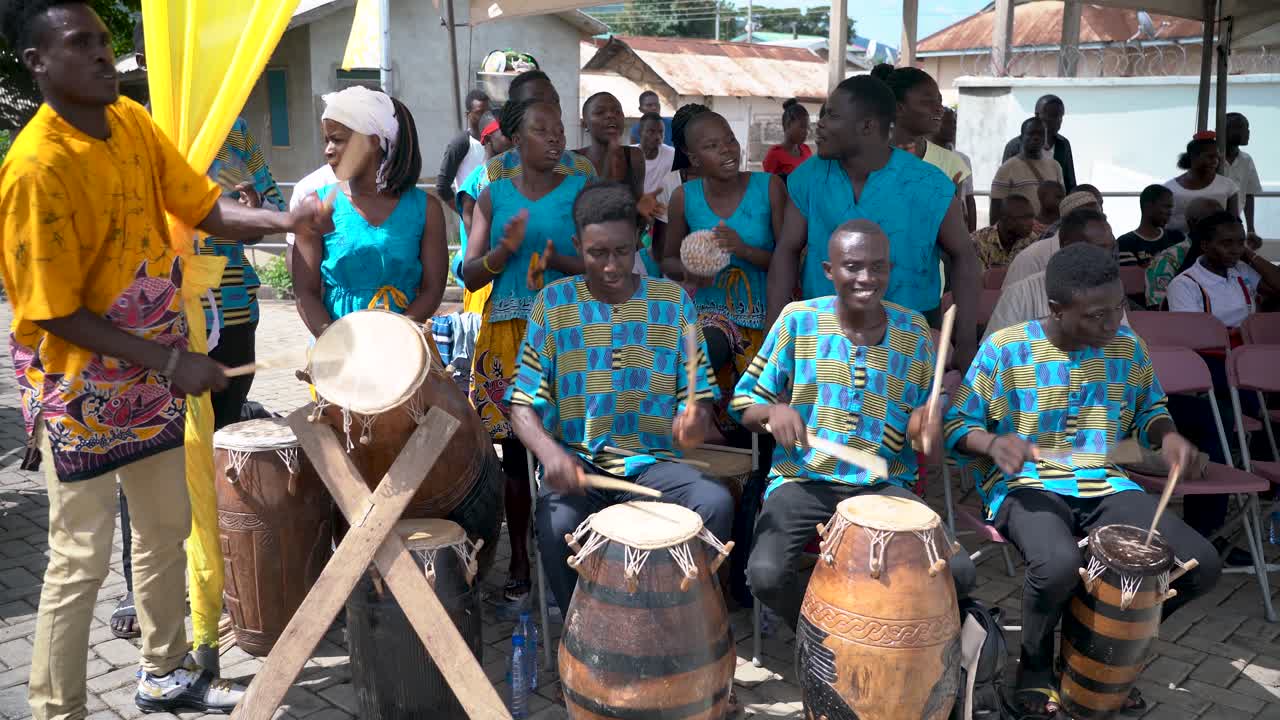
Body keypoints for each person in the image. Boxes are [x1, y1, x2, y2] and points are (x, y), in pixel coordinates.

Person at [0, 2, 330, 715]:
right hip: (79, 391)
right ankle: (57, 708)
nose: (100, 54)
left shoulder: (133, 125)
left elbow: (205, 206)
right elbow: (51, 309)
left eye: (104, 41)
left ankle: (164, 671)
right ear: (37, 63)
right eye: (80, 43)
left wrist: (287, 220)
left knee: (163, 530)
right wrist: (169, 360)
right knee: (79, 560)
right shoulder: (35, 169)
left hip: (150, 380)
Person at [945, 241, 1221, 717]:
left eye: (1118, 308)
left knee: (1199, 565)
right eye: (1096, 315)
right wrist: (991, 444)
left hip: (1105, 482)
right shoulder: (1007, 348)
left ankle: (1093, 649)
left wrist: (1167, 435)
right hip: (1026, 484)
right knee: (1055, 566)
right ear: (1056, 308)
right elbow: (956, 425)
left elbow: (1150, 410)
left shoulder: (1127, 346)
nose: (1112, 322)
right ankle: (1033, 668)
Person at [110, 26, 289, 642]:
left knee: (222, 444)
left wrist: (252, 200)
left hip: (234, 309)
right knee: (155, 451)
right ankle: (145, 591)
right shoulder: (152, 136)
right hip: (162, 312)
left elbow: (264, 204)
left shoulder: (240, 140)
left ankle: (217, 576)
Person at [736, 220, 975, 628]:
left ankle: (890, 635)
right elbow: (743, 403)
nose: (867, 278)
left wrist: (926, 425)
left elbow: (926, 430)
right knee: (765, 575)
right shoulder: (798, 320)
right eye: (853, 267)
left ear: (889, 270)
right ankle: (825, 635)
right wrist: (772, 412)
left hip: (883, 484)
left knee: (960, 574)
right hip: (803, 480)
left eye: (878, 267)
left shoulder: (913, 329)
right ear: (829, 271)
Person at [511, 181, 731, 616]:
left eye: (622, 252)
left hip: (651, 466)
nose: (611, 266)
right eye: (597, 254)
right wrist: (550, 454)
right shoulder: (553, 304)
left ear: (639, 243)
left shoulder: (673, 304)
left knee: (715, 503)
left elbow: (697, 392)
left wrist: (694, 415)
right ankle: (583, 635)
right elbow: (522, 407)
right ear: (578, 245)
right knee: (556, 527)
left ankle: (678, 621)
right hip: (580, 465)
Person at [464, 98, 588, 608]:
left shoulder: (582, 190)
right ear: (515, 141)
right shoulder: (492, 195)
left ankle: (573, 561)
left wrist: (556, 260)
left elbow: (605, 262)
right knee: (515, 458)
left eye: (559, 129)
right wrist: (503, 253)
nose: (556, 138)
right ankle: (518, 559)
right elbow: (469, 273)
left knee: (571, 449)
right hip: (509, 333)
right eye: (541, 131)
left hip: (570, 334)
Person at [767, 74, 980, 372]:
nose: (821, 124)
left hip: (909, 338)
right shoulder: (809, 177)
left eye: (832, 115)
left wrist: (967, 340)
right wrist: (774, 335)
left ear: (867, 126)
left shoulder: (930, 186)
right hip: (825, 334)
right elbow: (787, 251)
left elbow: (964, 258)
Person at [660, 108, 784, 439]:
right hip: (711, 316)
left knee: (756, 433)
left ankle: (756, 481)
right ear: (693, 157)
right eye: (712, 146)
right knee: (707, 347)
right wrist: (693, 269)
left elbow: (786, 261)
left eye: (729, 139)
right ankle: (690, 420)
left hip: (763, 321)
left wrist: (743, 250)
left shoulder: (769, 187)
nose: (727, 149)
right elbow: (667, 261)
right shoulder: (684, 198)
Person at [293, 87, 448, 334]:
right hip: (336, 347)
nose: (328, 150)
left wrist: (396, 333)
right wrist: (335, 342)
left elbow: (433, 289)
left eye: (338, 139)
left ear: (373, 142)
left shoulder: (425, 209)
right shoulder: (317, 207)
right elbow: (305, 291)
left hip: (401, 346)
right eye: (327, 140)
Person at [985, 208, 1119, 336]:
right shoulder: (1021, 294)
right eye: (1099, 249)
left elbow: (1124, 349)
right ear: (1067, 247)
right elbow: (994, 355)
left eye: (1110, 248)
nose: (1108, 257)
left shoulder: (1110, 293)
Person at [873, 64, 972, 210]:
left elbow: (954, 226)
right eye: (928, 102)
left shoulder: (951, 163)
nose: (939, 108)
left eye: (939, 101)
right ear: (898, 108)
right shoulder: (867, 158)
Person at [1167, 210, 1280, 333]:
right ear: (1205, 246)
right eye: (1227, 243)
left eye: (1241, 242)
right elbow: (1192, 334)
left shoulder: (1240, 269)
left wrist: (1249, 254)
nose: (1236, 250)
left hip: (1250, 345)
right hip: (1213, 349)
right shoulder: (1184, 284)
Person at [485, 70, 595, 183]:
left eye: (555, 101)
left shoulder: (581, 169)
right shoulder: (496, 171)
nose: (549, 108)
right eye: (537, 101)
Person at [1001, 188, 1102, 290]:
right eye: (1088, 220)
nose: (1096, 225)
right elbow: (1012, 302)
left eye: (1099, 218)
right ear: (1068, 223)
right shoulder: (1030, 258)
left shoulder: (1099, 249)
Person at [452, 111, 509, 287]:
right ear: (487, 138)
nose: (512, 136)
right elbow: (475, 242)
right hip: (484, 277)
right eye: (504, 132)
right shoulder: (474, 183)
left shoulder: (510, 178)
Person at [1146, 197, 1223, 309]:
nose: (1221, 227)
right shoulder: (1168, 259)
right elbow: (1158, 309)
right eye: (1213, 222)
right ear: (1192, 223)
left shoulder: (1231, 257)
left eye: (1224, 221)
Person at [990, 117, 1064, 225]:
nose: (1036, 138)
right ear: (1021, 137)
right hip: (1020, 234)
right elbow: (996, 209)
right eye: (1031, 134)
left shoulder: (1055, 166)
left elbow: (1061, 200)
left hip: (1049, 232)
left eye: (1041, 134)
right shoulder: (1007, 168)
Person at [575, 91, 645, 201]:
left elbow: (639, 204)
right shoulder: (571, 160)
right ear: (585, 124)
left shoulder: (634, 156)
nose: (610, 115)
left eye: (617, 111)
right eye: (600, 112)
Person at [1164, 133, 1239, 234]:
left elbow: (1234, 223)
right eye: (1210, 157)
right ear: (1193, 157)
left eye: (1217, 157)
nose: (1215, 161)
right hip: (1175, 244)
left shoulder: (1228, 186)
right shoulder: (1170, 188)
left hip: (1216, 246)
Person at [1002, 93, 1076, 191]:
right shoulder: (1015, 145)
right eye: (1052, 116)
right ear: (1037, 115)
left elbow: (1070, 183)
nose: (1057, 121)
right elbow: (1004, 183)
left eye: (1060, 116)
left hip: (1054, 205)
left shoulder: (1063, 144)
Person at [435, 89, 490, 206]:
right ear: (468, 115)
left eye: (488, 112)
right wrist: (463, 213)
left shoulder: (496, 140)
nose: (486, 117)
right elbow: (442, 186)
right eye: (480, 112)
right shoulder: (461, 143)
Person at [931, 107, 977, 233]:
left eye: (954, 123)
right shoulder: (922, 157)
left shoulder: (963, 159)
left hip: (959, 227)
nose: (953, 127)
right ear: (935, 123)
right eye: (948, 122)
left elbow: (969, 199)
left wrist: (972, 234)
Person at [1118, 184, 1185, 267]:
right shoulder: (1125, 243)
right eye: (1166, 207)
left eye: (1171, 207)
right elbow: (1133, 277)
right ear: (1148, 207)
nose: (1170, 212)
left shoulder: (1177, 238)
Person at [1223, 112, 1263, 246]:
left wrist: (1251, 229)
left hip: (1233, 223)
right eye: (1242, 128)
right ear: (1226, 130)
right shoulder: (1212, 157)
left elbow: (1249, 194)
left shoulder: (1246, 160)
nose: (1248, 132)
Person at [971, 193, 1035, 271]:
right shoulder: (978, 242)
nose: (1032, 223)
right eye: (1026, 218)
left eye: (1032, 217)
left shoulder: (1032, 241)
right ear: (1007, 220)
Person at [762, 98, 811, 181]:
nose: (806, 132)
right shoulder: (774, 155)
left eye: (808, 127)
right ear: (788, 124)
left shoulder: (807, 150)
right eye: (802, 127)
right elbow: (767, 186)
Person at [637, 111, 674, 196]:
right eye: (651, 131)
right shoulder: (629, 155)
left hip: (664, 207)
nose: (657, 137)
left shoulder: (672, 154)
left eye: (661, 132)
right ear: (640, 132)